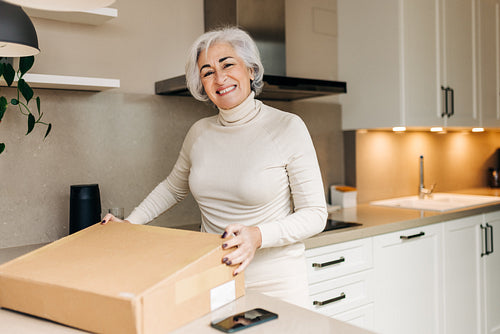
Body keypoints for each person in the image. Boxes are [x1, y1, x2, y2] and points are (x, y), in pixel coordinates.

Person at [101, 26, 327, 307]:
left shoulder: (287, 127)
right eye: (207, 72)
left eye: (227, 64)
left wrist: (257, 235)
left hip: (276, 280)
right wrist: (129, 224)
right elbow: (172, 188)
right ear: (202, 85)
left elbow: (316, 214)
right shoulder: (200, 132)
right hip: (214, 273)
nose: (220, 78)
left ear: (251, 70)